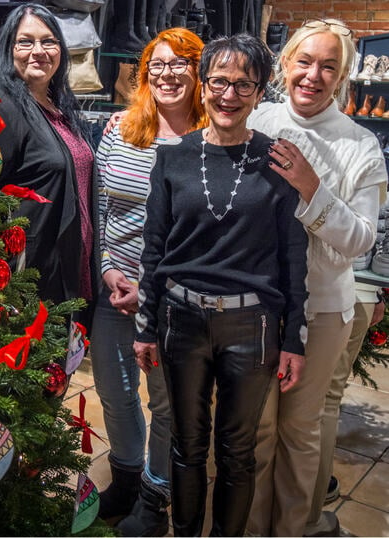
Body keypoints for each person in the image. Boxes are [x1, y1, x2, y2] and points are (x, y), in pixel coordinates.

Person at [134, 33, 309, 536]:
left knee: (237, 450)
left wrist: (293, 337)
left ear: (259, 93)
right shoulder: (172, 158)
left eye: (243, 85)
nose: (229, 95)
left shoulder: (279, 162)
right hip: (180, 321)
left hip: (250, 326)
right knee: (186, 445)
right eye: (219, 82)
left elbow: (292, 257)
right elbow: (155, 248)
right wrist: (145, 327)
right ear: (203, 85)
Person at [246, 18, 388, 537]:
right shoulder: (256, 118)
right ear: (285, 65)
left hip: (323, 309)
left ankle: (294, 528)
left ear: (343, 76)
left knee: (301, 430)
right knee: (258, 430)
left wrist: (311, 188)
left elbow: (361, 240)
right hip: (256, 303)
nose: (314, 75)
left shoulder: (360, 144)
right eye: (304, 62)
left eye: (329, 66)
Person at [92, 27, 207, 535]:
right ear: (144, 75)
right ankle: (125, 473)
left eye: (180, 64)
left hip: (171, 298)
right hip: (113, 288)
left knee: (163, 402)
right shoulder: (120, 128)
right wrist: (106, 268)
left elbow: (208, 233)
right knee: (114, 392)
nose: (167, 74)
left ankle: (153, 497)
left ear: (198, 72)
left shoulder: (211, 138)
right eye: (157, 65)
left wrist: (151, 288)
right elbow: (98, 206)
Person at [0, 2, 96, 306]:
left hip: (67, 270)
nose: (38, 51)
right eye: (26, 41)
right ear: (9, 48)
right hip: (26, 278)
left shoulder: (58, 105)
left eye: (48, 41)